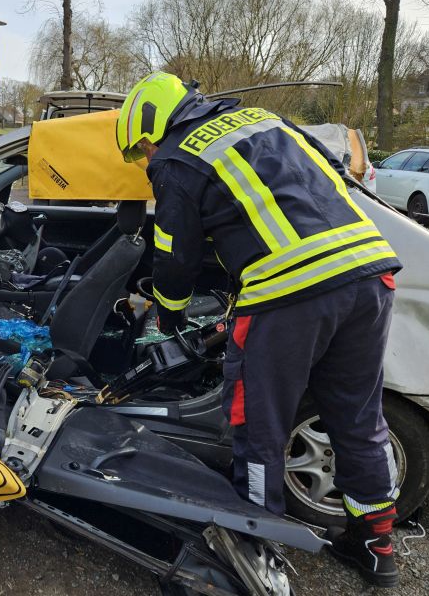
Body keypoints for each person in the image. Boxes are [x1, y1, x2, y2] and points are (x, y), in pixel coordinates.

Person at [116, 72, 403, 588]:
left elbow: (174, 259)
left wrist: (170, 319)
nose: (146, 156)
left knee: (258, 429)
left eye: (141, 146)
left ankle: (253, 552)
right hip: (370, 275)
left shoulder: (176, 156)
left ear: (150, 120)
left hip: (292, 293)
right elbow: (330, 175)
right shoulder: (270, 121)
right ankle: (376, 546)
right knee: (359, 418)